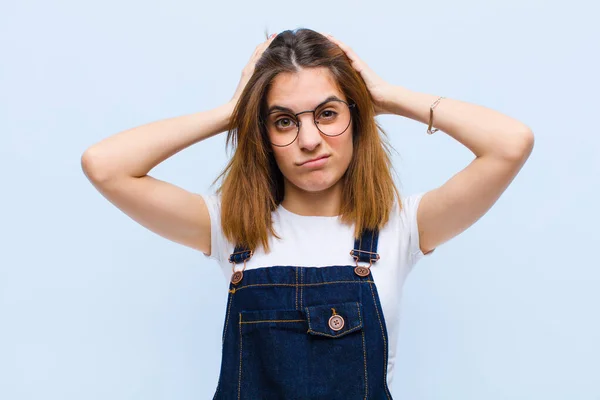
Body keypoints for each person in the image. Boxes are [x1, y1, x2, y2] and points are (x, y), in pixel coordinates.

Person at [81, 28, 534, 399]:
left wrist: (387, 96)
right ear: (262, 135)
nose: (310, 139)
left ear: (357, 117)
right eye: (284, 121)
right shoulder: (230, 227)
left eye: (328, 113)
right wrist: (231, 113)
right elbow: (105, 166)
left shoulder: (403, 225)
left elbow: (510, 144)